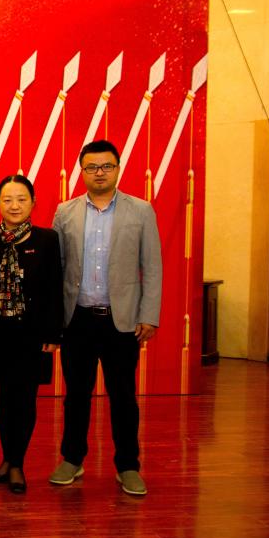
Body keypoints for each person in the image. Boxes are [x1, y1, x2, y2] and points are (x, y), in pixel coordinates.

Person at [49, 140, 162, 496]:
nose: (100, 173)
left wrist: (149, 314)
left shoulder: (141, 210)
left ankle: (128, 465)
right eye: (92, 167)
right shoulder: (65, 212)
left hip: (122, 320)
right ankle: (72, 459)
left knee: (123, 396)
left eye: (106, 166)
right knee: (76, 395)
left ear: (117, 168)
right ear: (82, 171)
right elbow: (56, 268)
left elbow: (152, 266)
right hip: (77, 320)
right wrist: (55, 320)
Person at [0, 175, 63, 494]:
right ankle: (7, 458)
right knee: (1, 399)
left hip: (32, 335)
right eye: (8, 199)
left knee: (25, 400)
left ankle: (17, 464)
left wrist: (53, 332)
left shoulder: (47, 239)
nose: (14, 205)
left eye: (22, 199)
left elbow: (55, 288)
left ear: (33, 203)